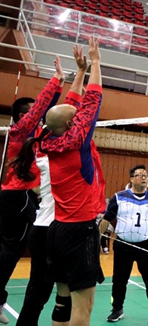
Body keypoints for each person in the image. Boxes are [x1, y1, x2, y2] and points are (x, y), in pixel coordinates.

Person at [11, 36, 104, 326]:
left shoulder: (43, 141)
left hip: (55, 228)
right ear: (69, 125)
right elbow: (91, 101)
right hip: (74, 228)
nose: (77, 115)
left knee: (60, 299)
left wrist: (79, 72)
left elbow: (69, 106)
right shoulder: (76, 143)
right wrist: (95, 63)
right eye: (74, 118)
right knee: (73, 305)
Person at [0, 56, 64, 324]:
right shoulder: (19, 130)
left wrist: (59, 88)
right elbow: (40, 108)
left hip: (17, 196)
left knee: (10, 249)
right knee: (13, 249)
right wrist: (56, 80)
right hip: (19, 196)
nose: (38, 116)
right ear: (21, 117)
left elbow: (46, 112)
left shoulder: (31, 134)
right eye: (32, 113)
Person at [100, 165, 148, 325]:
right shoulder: (119, 197)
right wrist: (97, 238)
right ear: (131, 179)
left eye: (146, 175)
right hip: (123, 244)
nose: (144, 177)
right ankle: (117, 309)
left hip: (145, 245)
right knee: (119, 279)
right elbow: (107, 218)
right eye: (140, 175)